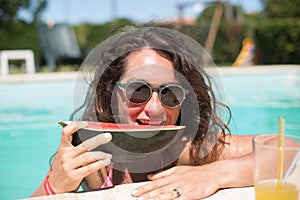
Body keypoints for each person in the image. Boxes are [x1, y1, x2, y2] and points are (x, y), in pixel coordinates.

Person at [31, 26, 255, 199]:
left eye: (170, 94)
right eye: (138, 90)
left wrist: (215, 174)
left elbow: (287, 149)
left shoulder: (186, 151)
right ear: (111, 93)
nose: (155, 109)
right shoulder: (89, 156)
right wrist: (54, 186)